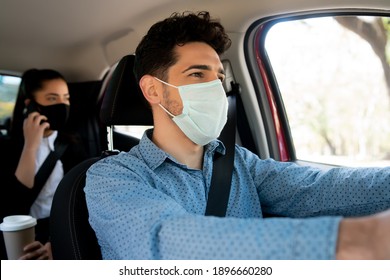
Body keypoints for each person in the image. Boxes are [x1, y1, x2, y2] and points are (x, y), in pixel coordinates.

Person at [84, 11, 390, 260]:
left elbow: (317, 188)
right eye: (197, 74)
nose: (216, 88)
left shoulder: (241, 162)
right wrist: (358, 240)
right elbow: (166, 240)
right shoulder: (112, 178)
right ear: (153, 90)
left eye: (218, 77)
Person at [0, 69, 88, 259]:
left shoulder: (73, 144)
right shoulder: (9, 147)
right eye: (51, 98)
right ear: (31, 105)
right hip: (23, 229)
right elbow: (15, 202)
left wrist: (55, 241)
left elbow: (80, 198)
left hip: (60, 227)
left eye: (66, 98)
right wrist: (30, 146)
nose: (62, 105)